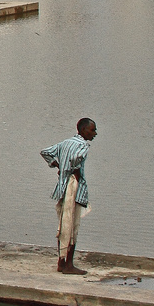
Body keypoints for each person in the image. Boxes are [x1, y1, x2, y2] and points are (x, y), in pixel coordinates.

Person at [41, 118, 97, 275]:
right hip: (73, 187)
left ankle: (61, 262)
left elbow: (46, 152)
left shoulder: (66, 143)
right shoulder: (82, 145)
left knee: (63, 224)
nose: (94, 133)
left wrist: (59, 166)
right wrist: (73, 169)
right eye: (92, 130)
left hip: (62, 186)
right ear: (83, 130)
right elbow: (76, 159)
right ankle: (68, 265)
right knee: (72, 225)